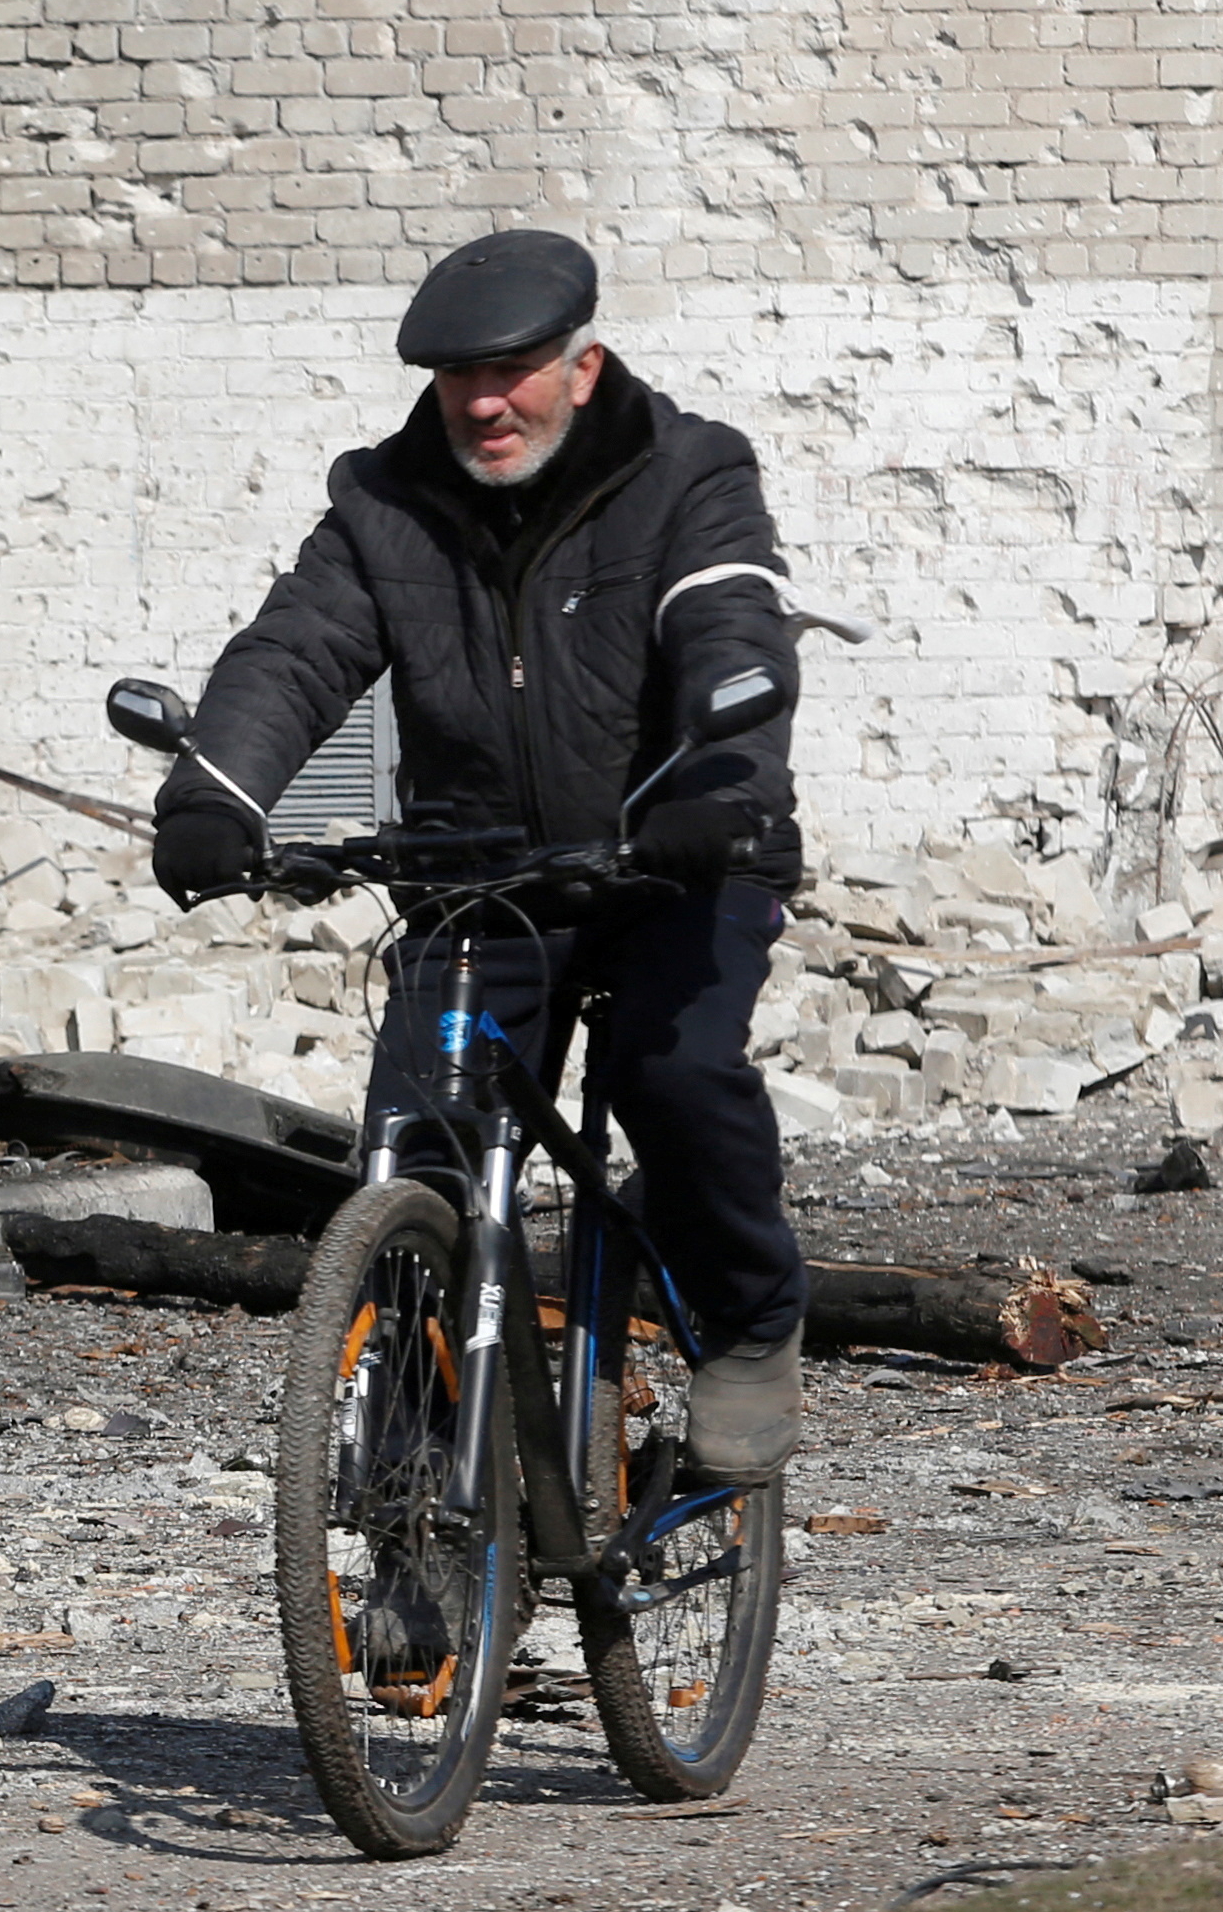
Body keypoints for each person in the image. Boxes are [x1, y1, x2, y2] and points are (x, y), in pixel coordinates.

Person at [150, 229, 808, 1482]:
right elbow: (293, 653)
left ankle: (748, 1324)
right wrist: (213, 795)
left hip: (675, 855)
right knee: (412, 1145)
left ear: (581, 363)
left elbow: (729, 628)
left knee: (673, 1079)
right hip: (479, 875)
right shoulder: (383, 501)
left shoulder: (688, 473)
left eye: (511, 372)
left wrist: (717, 784)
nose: (484, 402)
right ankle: (405, 1502)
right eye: (459, 379)